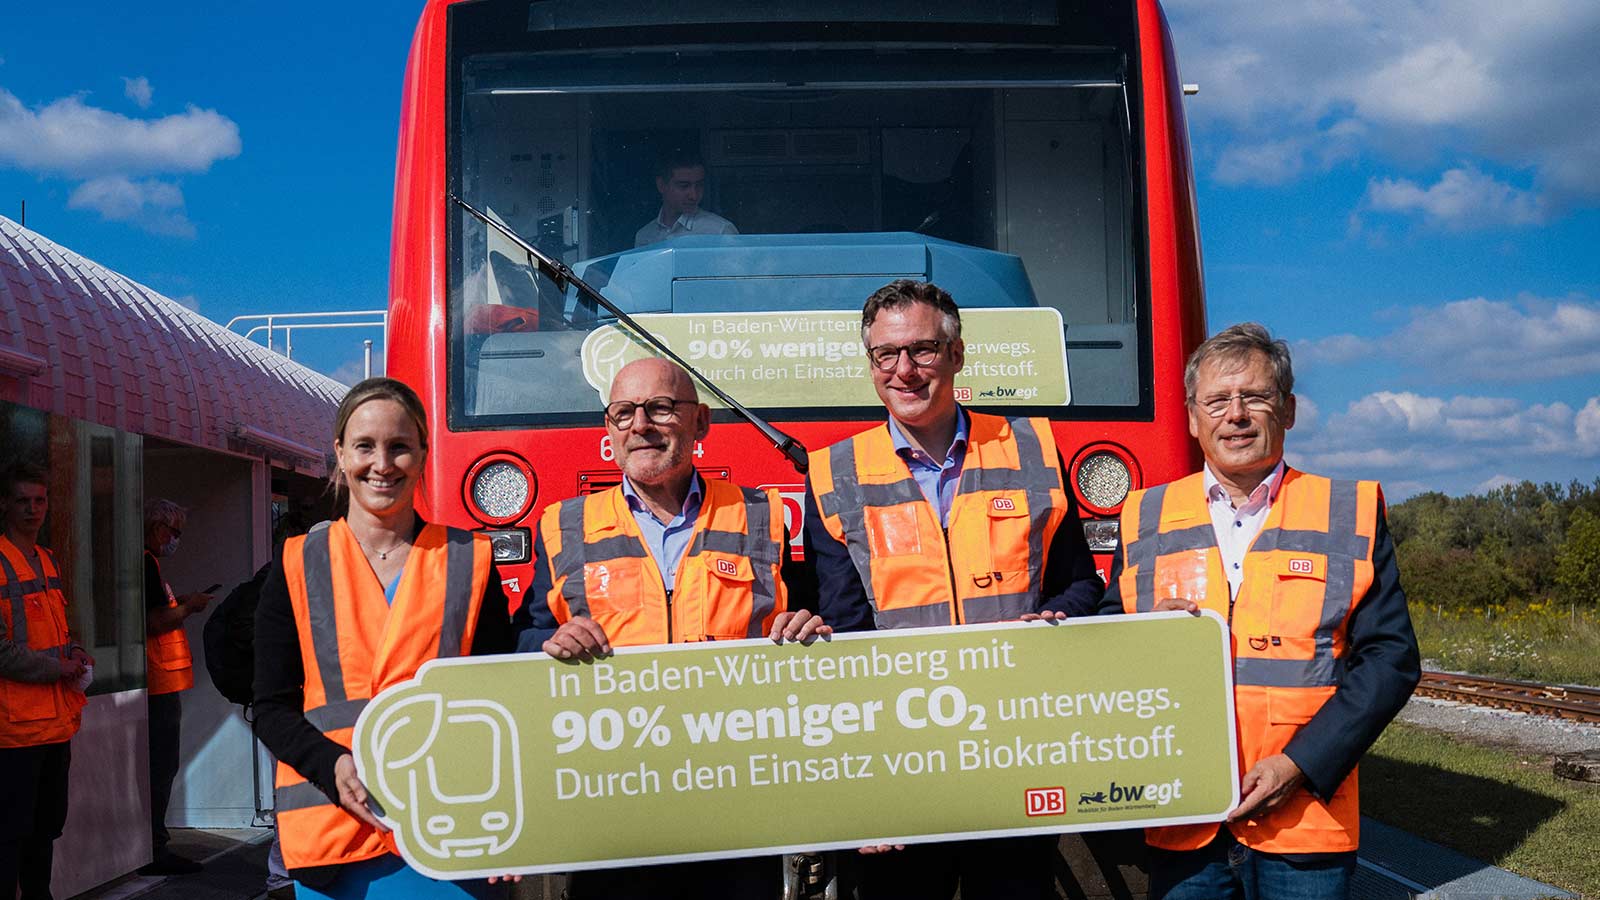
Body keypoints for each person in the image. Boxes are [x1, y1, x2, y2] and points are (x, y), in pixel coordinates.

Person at [802, 279, 1103, 899]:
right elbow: (845, 635)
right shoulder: (834, 473)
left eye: (922, 350)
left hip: (1016, 754)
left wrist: (1053, 620)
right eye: (886, 354)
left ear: (957, 354)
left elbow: (1080, 585)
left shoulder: (1031, 448)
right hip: (902, 765)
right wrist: (863, 785)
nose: (904, 370)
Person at [1099, 323, 1420, 900]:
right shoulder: (1143, 516)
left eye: (1256, 397)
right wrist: (1137, 636)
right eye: (1217, 401)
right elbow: (1103, 642)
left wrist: (1298, 765)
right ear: (1194, 419)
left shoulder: (1347, 512)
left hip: (1304, 817)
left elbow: (1390, 661)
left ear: (1288, 409)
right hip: (1182, 814)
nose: (1237, 415)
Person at [516, 357, 819, 899]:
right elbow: (521, 640)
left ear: (701, 423)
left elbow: (810, 623)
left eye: (660, 408)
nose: (641, 425)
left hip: (739, 803)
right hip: (611, 805)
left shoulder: (763, 515)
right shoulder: (563, 526)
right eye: (623, 412)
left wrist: (805, 628)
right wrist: (547, 644)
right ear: (608, 429)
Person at [253, 377, 516, 899]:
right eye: (365, 446)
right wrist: (331, 765)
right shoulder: (294, 564)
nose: (383, 463)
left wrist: (512, 822)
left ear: (422, 453)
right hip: (333, 836)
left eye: (399, 447)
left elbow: (501, 704)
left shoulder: (469, 560)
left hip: (449, 832)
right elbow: (271, 706)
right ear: (340, 455)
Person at [0, 463, 90, 900]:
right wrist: (60, 668)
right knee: (9, 837)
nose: (33, 508)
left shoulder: (48, 559)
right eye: (22, 500)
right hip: (13, 732)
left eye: (39, 500)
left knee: (44, 831)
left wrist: (73, 652)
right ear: (5, 505)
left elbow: (56, 632)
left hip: (55, 726)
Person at [142, 497, 213, 875]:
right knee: (161, 767)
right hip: (157, 682)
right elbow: (155, 621)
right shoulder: (147, 563)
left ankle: (153, 845)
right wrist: (190, 607)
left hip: (160, 681)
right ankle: (155, 848)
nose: (176, 540)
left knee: (160, 766)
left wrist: (180, 601)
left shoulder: (149, 565)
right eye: (174, 532)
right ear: (158, 529)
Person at [634, 152, 739, 248]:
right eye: (684, 186)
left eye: (699, 185)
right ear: (661, 185)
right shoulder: (644, 236)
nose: (694, 195)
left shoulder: (720, 232)